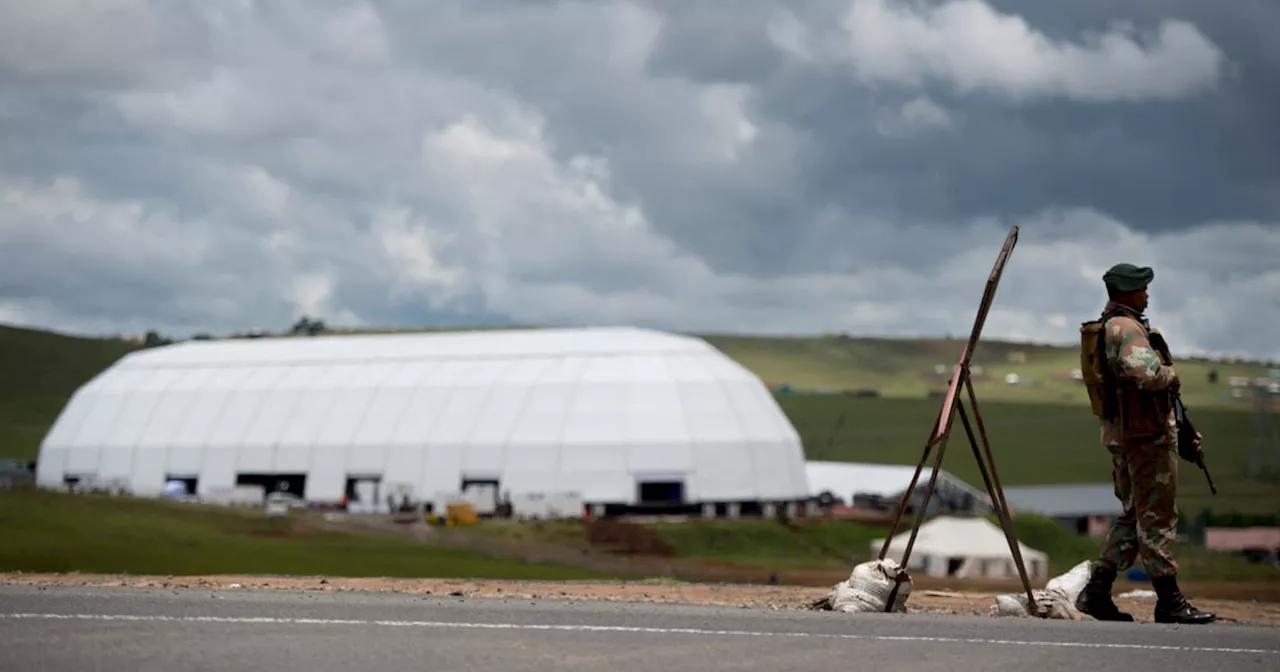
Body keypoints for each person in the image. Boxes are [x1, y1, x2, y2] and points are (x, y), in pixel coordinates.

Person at [1075, 263, 1216, 625]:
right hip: (1144, 438)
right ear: (1126, 291)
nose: (1147, 293)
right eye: (1142, 287)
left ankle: (1096, 592)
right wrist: (1172, 374)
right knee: (1157, 516)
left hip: (1128, 434)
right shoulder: (1125, 327)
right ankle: (1169, 601)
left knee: (1135, 514)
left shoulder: (1113, 324)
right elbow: (1146, 374)